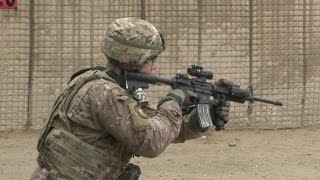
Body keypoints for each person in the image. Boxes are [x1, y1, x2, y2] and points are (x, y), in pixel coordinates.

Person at [30, 17, 230, 180]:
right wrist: (174, 101)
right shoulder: (104, 92)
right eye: (151, 59)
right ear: (133, 58)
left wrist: (197, 121)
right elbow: (150, 142)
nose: (154, 67)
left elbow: (157, 127)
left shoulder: (114, 86)